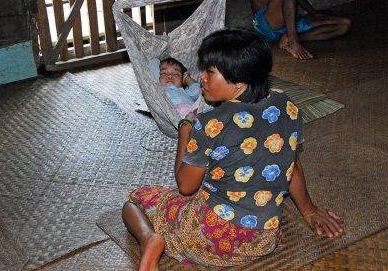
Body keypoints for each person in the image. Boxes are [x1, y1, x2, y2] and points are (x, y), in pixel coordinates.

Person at [122, 28, 343, 271]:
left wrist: (185, 131)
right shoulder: (286, 106)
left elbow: (186, 187)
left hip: (208, 240)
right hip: (262, 241)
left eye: (210, 72)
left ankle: (149, 239)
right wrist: (309, 210)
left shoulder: (210, 124)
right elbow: (291, 165)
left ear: (239, 81)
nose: (202, 78)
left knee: (135, 199)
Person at [246, 0, 352, 59]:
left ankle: (290, 38)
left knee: (344, 24)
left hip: (290, 22)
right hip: (267, 24)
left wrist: (313, 12)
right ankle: (293, 41)